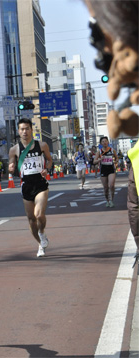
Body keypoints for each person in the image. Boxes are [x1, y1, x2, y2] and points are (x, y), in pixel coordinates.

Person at [85, 0, 138, 265]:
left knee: (124, 192)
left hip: (119, 168)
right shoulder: (102, 149)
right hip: (108, 168)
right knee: (111, 188)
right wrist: (99, 158)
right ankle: (106, 198)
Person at [8, 118, 53, 258]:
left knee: (39, 214)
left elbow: (50, 160)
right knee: (31, 219)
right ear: (18, 131)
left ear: (31, 130)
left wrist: (47, 168)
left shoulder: (42, 145)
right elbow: (11, 165)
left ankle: (42, 232)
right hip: (26, 185)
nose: (24, 131)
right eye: (22, 129)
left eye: (27, 128)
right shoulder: (14, 149)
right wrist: (10, 168)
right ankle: (40, 243)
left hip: (40, 184)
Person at [94, 137, 118, 207]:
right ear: (101, 143)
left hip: (111, 169)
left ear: (108, 142)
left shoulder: (112, 150)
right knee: (105, 188)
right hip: (103, 170)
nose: (104, 142)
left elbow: (117, 158)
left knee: (112, 185)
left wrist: (115, 161)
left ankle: (111, 200)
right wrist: (100, 159)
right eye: (103, 141)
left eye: (106, 141)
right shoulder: (99, 152)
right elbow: (94, 161)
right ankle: (107, 200)